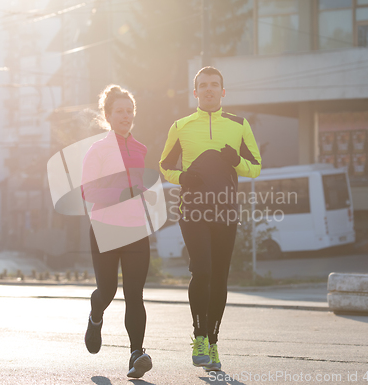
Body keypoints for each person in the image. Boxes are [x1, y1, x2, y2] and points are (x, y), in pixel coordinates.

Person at [159, 67, 261, 371]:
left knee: (219, 278)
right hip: (193, 210)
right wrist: (183, 178)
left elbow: (255, 167)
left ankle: (213, 343)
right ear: (195, 93)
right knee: (201, 270)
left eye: (214, 85)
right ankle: (199, 336)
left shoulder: (239, 125)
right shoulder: (180, 126)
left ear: (223, 92)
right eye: (202, 85)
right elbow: (164, 166)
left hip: (225, 211)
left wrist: (236, 161)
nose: (208, 90)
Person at [81, 85, 155, 378]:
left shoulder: (140, 149)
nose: (125, 116)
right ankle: (95, 314)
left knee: (135, 294)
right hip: (105, 229)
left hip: (136, 230)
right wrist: (121, 192)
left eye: (129, 111)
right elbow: (88, 191)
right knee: (108, 290)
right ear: (108, 116)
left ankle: (136, 353)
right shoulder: (97, 150)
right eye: (119, 111)